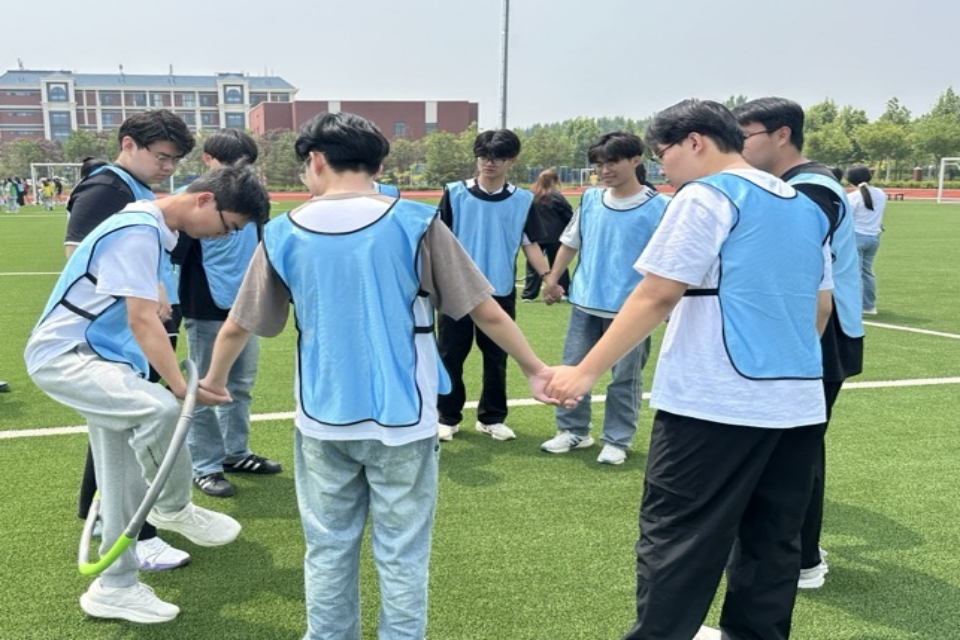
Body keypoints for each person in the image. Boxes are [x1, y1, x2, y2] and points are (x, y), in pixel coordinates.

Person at [199, 112, 554, 639]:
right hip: (404, 417)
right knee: (402, 552)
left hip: (324, 416)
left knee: (327, 547)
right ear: (379, 165)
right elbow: (485, 309)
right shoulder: (415, 222)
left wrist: (213, 381)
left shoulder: (280, 232)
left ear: (315, 160)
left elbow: (239, 324)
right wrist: (535, 368)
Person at [546, 99, 834, 640]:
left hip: (713, 400)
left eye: (663, 155)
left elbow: (656, 294)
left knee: (678, 537)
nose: (664, 169)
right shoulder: (806, 208)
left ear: (695, 141)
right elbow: (821, 308)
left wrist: (584, 371)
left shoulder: (706, 196)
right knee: (772, 541)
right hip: (796, 403)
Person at [25, 164, 270, 624]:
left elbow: (140, 301)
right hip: (69, 355)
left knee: (120, 485)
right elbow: (141, 320)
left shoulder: (155, 229)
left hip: (108, 361)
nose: (223, 237)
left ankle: (114, 588)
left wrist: (155, 289)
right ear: (204, 200)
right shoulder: (139, 229)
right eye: (229, 226)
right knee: (158, 408)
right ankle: (173, 507)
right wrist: (181, 387)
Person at [734, 97, 865, 589]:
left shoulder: (811, 190)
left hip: (819, 333)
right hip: (808, 328)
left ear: (782, 134)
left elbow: (801, 268)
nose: (738, 147)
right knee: (795, 450)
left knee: (794, 452)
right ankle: (801, 552)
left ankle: (803, 560)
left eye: (744, 137)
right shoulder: (796, 185)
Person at [67, 110, 195, 572]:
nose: (168, 167)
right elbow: (77, 253)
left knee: (118, 428)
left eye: (174, 160)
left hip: (135, 328)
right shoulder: (107, 188)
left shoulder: (136, 190)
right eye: (161, 157)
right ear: (128, 145)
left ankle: (105, 515)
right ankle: (138, 532)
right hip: (118, 333)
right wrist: (147, 291)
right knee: (136, 425)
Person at [540, 132, 669, 465]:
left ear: (635, 160)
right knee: (572, 369)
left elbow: (668, 261)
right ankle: (573, 430)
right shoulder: (591, 200)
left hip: (631, 311)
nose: (604, 170)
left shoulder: (660, 207)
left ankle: (617, 440)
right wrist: (552, 279)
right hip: (585, 302)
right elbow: (570, 242)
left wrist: (668, 304)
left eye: (611, 162)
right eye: (598, 164)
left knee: (625, 377)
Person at [175, 129, 281, 498]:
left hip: (245, 304)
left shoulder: (251, 200)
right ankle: (205, 465)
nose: (239, 171)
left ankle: (236, 452)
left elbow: (264, 246)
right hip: (206, 306)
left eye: (245, 164)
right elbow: (172, 257)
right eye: (231, 163)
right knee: (206, 387)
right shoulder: (192, 201)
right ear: (208, 159)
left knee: (240, 385)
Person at [436, 129, 551, 442]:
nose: (489, 162)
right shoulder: (454, 193)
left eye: (498, 157)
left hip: (499, 290)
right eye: (483, 156)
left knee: (497, 358)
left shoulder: (523, 200)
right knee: (450, 356)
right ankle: (447, 417)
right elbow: (438, 240)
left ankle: (492, 418)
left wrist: (548, 277)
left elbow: (530, 243)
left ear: (511, 161)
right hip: (456, 289)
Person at [520, 168, 573, 302]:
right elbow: (568, 215)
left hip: (535, 235)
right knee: (558, 264)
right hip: (555, 235)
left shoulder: (530, 195)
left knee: (534, 265)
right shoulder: (557, 197)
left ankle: (529, 294)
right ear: (554, 181)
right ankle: (563, 291)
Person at [846, 165, 886, 315]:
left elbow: (846, 220)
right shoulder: (880, 193)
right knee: (867, 272)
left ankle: (855, 307)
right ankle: (869, 306)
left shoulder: (852, 197)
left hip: (856, 236)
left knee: (855, 274)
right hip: (873, 237)